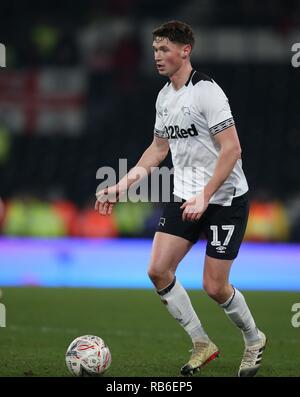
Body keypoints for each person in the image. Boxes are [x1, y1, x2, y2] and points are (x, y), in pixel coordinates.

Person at [95, 20, 266, 377]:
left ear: (184, 50)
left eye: (164, 49)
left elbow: (232, 149)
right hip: (185, 196)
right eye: (155, 49)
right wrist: (121, 186)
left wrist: (205, 196)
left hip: (224, 200)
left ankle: (253, 339)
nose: (157, 55)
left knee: (214, 287)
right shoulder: (165, 97)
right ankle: (202, 343)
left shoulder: (207, 91)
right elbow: (158, 149)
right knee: (158, 270)